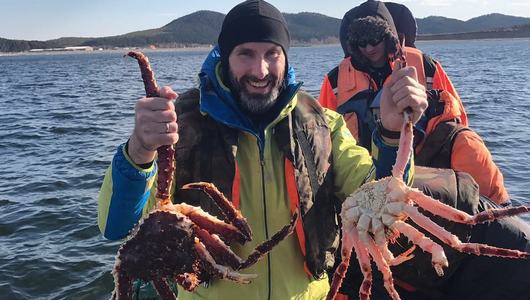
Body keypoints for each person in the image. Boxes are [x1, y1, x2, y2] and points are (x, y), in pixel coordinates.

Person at [97, 1, 428, 299]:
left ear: (285, 57)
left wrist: (393, 132)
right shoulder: (180, 126)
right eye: (246, 54)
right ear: (226, 58)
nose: (260, 70)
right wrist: (140, 150)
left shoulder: (323, 125)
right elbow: (118, 228)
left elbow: (383, 197)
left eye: (272, 53)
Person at [319, 0, 509, 205]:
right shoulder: (335, 80)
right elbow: (322, 133)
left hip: (425, 155)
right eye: (361, 42)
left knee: (469, 145)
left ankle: (499, 214)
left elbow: (457, 117)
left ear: (388, 35)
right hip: (363, 166)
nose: (369, 47)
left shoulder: (426, 66)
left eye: (374, 39)